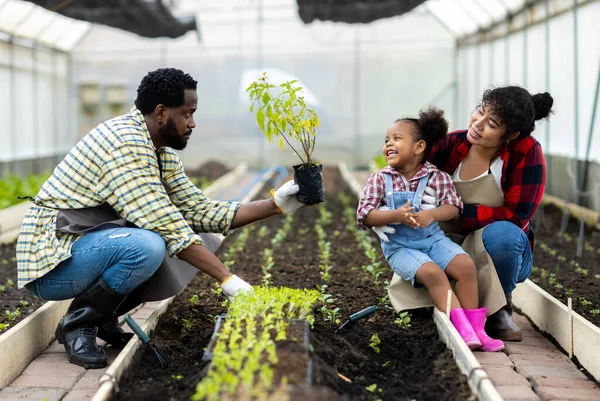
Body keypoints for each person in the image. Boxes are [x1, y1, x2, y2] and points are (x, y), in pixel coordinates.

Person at [16, 68, 312, 369]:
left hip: (88, 245)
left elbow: (200, 211)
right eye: (187, 114)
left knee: (198, 239)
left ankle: (103, 318)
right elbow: (165, 224)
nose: (193, 123)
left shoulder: (160, 151)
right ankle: (77, 325)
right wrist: (228, 279)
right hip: (52, 262)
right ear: (161, 112)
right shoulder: (125, 144)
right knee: (147, 246)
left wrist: (277, 204)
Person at [374, 86, 552, 342]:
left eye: (491, 123)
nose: (478, 124)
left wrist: (454, 211)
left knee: (504, 234)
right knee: (428, 259)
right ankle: (446, 304)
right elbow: (403, 171)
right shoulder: (452, 144)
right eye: (479, 112)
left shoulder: (526, 151)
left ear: (510, 135)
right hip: (443, 237)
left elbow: (516, 215)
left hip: (495, 244)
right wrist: (381, 211)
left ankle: (500, 307)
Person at [357, 107, 504, 352]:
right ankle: (462, 328)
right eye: (386, 140)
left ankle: (478, 330)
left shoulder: (436, 176)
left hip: (432, 239)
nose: (389, 144)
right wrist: (394, 215)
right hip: (401, 247)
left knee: (466, 266)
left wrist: (432, 214)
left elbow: (453, 207)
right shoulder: (380, 179)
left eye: (396, 138)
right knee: (434, 274)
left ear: (419, 147)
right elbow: (364, 215)